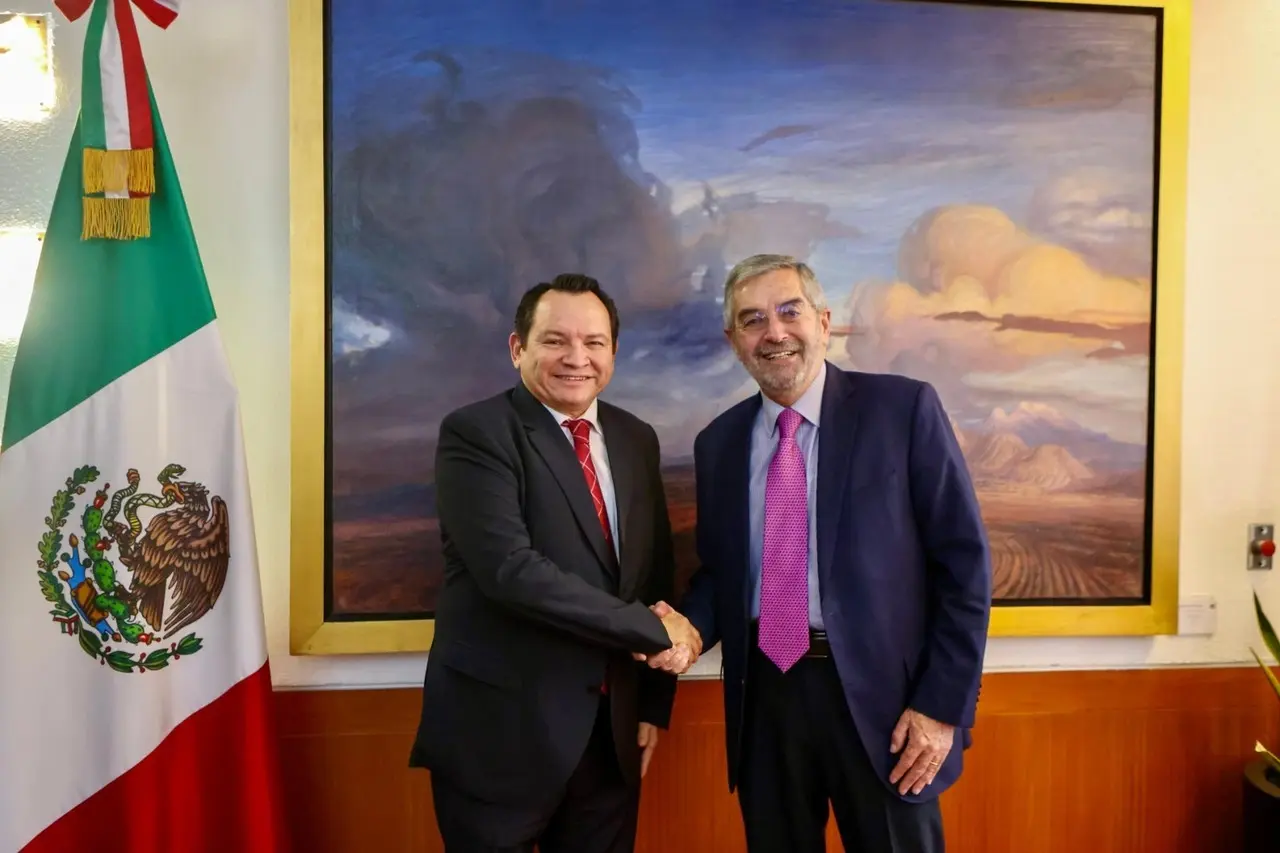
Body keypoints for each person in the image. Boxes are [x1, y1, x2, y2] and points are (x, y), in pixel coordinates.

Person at [656, 254, 992, 852]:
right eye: (753, 320)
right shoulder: (719, 443)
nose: (775, 332)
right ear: (734, 341)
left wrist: (941, 708)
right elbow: (722, 574)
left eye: (790, 312)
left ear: (825, 321)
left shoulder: (902, 410)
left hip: (886, 707)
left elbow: (963, 566)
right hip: (766, 699)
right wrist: (688, 629)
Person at [408, 273, 703, 853]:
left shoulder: (635, 437)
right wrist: (655, 632)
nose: (577, 358)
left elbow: (652, 576)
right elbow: (511, 571)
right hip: (501, 741)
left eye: (594, 342)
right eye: (555, 340)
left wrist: (650, 704)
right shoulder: (477, 433)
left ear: (613, 352)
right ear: (518, 347)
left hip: (610, 742)